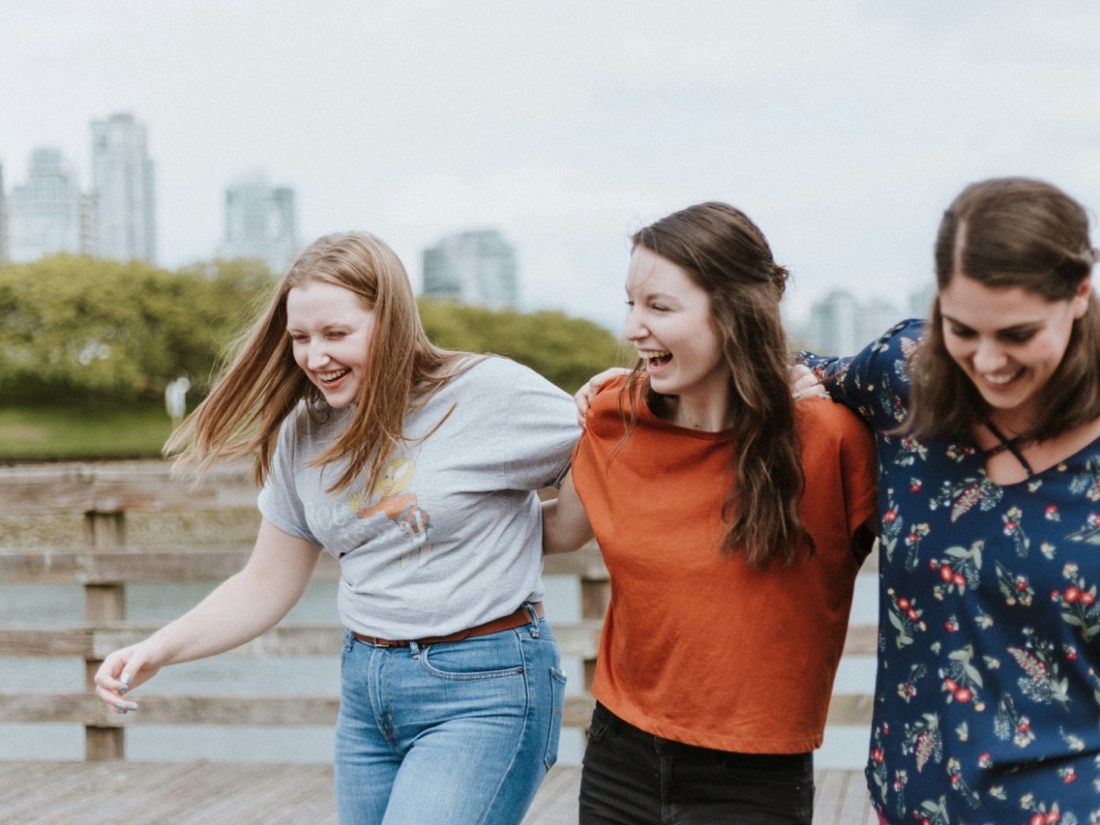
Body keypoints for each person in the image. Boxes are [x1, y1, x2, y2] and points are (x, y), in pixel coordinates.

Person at [93, 232, 579, 825]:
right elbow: (265, 583)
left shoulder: (486, 395)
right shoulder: (304, 430)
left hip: (485, 689)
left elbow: (608, 465)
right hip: (368, 696)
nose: (313, 356)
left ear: (392, 322)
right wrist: (158, 649)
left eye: (336, 334)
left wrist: (537, 528)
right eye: (300, 337)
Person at [543, 202, 879, 824]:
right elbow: (558, 531)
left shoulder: (831, 439)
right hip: (620, 754)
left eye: (659, 307)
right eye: (631, 303)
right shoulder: (614, 417)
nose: (634, 327)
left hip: (754, 778)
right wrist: (423, 515)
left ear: (733, 314)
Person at [795, 177, 1100, 824]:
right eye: (962, 329)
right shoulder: (906, 372)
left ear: (1079, 294)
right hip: (909, 804)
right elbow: (782, 374)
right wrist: (630, 389)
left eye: (1018, 333)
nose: (987, 361)